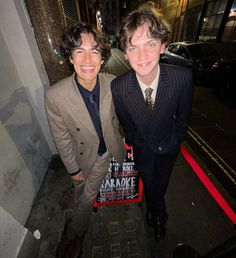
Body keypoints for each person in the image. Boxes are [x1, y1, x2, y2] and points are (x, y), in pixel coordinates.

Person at [111, 2, 193, 242]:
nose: (143, 56)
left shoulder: (182, 78)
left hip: (168, 148)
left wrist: (175, 141)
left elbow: (184, 118)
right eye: (133, 48)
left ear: (163, 47)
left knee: (161, 183)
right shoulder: (119, 87)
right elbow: (127, 125)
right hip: (144, 151)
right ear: (125, 53)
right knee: (151, 184)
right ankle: (158, 215)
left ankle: (155, 209)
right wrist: (138, 143)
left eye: (150, 44)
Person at [44, 22, 126, 256]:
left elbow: (128, 114)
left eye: (94, 51)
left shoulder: (114, 84)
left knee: (87, 196)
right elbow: (61, 137)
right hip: (80, 156)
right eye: (79, 51)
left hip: (105, 151)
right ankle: (79, 218)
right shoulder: (55, 96)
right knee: (81, 192)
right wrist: (72, 169)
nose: (87, 59)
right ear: (70, 57)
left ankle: (73, 236)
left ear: (103, 58)